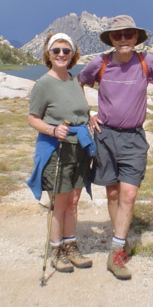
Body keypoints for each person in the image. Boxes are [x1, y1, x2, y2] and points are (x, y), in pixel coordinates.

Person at [78, 15, 153, 280]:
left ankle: (115, 253)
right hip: (105, 136)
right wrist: (87, 113)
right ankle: (120, 242)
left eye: (128, 34)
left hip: (134, 138)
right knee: (113, 195)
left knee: (129, 195)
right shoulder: (99, 64)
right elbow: (78, 82)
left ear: (136, 37)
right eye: (117, 35)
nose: (123, 39)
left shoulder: (146, 62)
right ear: (111, 40)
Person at [27, 32, 96, 273]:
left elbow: (82, 112)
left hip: (79, 149)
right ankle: (56, 250)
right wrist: (52, 129)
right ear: (48, 53)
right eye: (56, 50)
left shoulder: (75, 81)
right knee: (59, 202)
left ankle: (71, 245)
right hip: (56, 150)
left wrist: (92, 118)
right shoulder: (43, 84)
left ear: (72, 54)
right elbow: (32, 118)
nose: (61, 55)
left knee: (74, 201)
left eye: (66, 51)